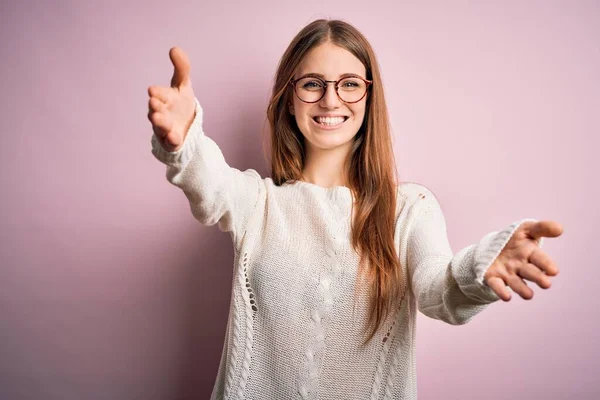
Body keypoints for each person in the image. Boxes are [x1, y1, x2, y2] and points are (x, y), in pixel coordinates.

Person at [147, 18, 563, 400]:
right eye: (312, 84)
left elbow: (439, 291)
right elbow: (211, 185)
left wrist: (481, 268)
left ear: (368, 97)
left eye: (348, 84)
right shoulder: (259, 202)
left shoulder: (409, 209)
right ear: (289, 99)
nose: (330, 100)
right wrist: (185, 141)